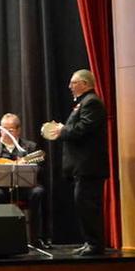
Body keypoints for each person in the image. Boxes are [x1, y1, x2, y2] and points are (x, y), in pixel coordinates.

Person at [43, 68, 109, 256]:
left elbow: (83, 129)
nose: (70, 86)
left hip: (89, 167)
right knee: (83, 205)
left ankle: (95, 245)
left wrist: (62, 131)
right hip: (83, 167)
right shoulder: (84, 103)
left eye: (74, 83)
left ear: (85, 84)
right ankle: (90, 242)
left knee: (88, 205)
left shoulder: (92, 103)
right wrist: (64, 129)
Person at [0, 113, 48, 245]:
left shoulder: (29, 147)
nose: (6, 133)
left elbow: (40, 168)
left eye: (10, 130)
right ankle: (0, 236)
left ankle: (36, 237)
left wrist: (28, 166)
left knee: (38, 192)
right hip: (0, 188)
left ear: (18, 130)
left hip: (24, 188)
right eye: (3, 129)